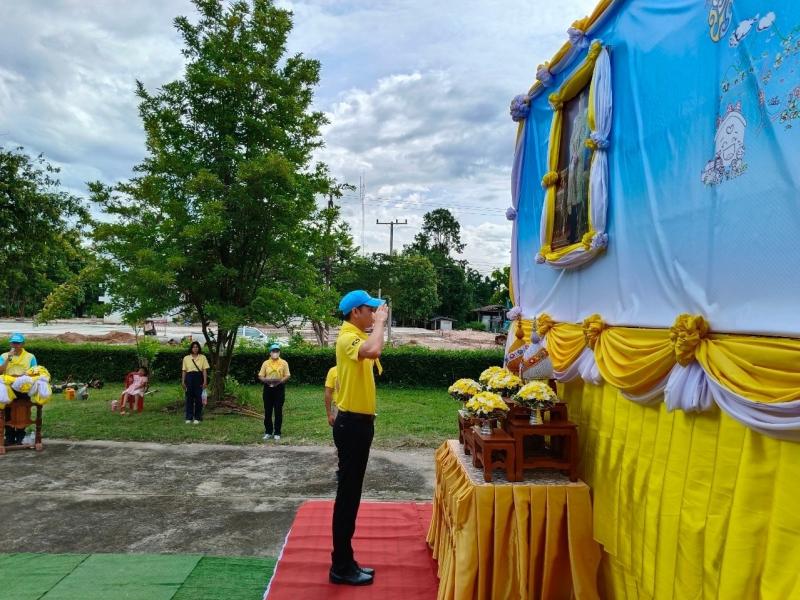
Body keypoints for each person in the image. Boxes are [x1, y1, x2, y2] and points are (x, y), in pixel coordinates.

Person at [329, 290, 388, 586]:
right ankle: (340, 566)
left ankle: (346, 560)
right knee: (347, 497)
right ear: (356, 312)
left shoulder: (356, 336)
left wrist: (376, 325)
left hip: (359, 425)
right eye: (370, 310)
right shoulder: (347, 338)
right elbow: (374, 350)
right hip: (352, 425)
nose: (374, 314)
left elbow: (375, 347)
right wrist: (381, 322)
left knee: (351, 495)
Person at [1, 333, 37, 445]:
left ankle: (21, 436)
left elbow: (35, 372)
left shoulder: (30, 357)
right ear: (10, 344)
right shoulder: (4, 356)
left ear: (23, 344)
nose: (15, 345)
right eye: (13, 343)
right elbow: (0, 371)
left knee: (23, 410)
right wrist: (8, 358)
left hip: (23, 388)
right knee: (7, 411)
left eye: (18, 343)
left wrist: (22, 377)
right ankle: (9, 437)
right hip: (8, 388)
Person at [258, 343, 290, 440]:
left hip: (279, 388)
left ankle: (277, 432)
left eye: (277, 351)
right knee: (268, 411)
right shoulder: (266, 363)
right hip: (268, 388)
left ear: (279, 352)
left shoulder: (284, 363)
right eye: (273, 351)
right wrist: (266, 381)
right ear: (270, 352)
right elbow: (260, 375)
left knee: (278, 411)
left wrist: (280, 381)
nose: (275, 352)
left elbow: (287, 375)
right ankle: (268, 431)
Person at [181, 341, 209, 424]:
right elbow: (184, 370)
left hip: (198, 377)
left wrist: (205, 381)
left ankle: (197, 417)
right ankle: (189, 417)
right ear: (191, 348)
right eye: (193, 347)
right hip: (189, 377)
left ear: (199, 348)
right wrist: (183, 381)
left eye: (196, 347)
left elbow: (204, 370)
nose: (195, 348)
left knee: (199, 398)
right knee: (189, 398)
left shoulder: (203, 357)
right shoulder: (186, 358)